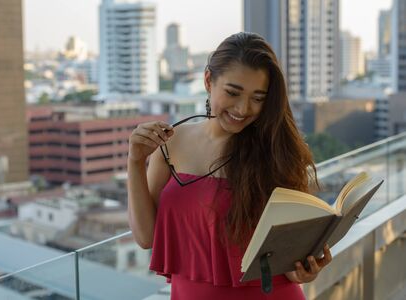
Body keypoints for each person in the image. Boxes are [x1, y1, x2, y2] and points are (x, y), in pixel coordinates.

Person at [127, 32, 332, 300]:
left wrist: (305, 269)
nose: (243, 108)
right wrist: (134, 160)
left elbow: (290, 255)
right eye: (233, 92)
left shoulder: (275, 152)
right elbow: (146, 237)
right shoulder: (171, 143)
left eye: (258, 98)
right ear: (209, 80)